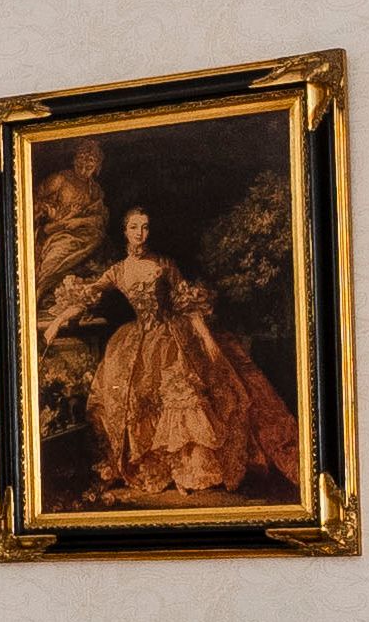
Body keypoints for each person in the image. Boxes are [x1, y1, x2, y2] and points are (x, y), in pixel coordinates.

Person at [51, 205, 302, 503]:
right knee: (135, 397)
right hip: (137, 340)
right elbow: (87, 296)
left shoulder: (164, 265)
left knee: (184, 401)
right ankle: (157, 469)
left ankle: (190, 472)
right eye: (134, 227)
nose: (140, 234)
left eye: (145, 227)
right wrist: (56, 322)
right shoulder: (117, 271)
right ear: (125, 232)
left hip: (172, 338)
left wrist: (206, 339)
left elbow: (187, 303)